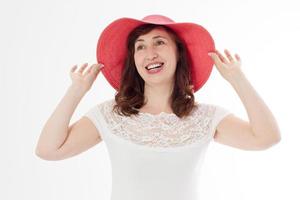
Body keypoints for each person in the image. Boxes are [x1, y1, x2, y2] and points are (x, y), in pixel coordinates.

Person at [35, 15, 281, 200]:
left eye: (159, 42)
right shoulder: (111, 115)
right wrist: (77, 89)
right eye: (140, 46)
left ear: (178, 54)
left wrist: (237, 78)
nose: (149, 53)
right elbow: (48, 149)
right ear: (134, 60)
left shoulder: (205, 117)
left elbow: (267, 137)